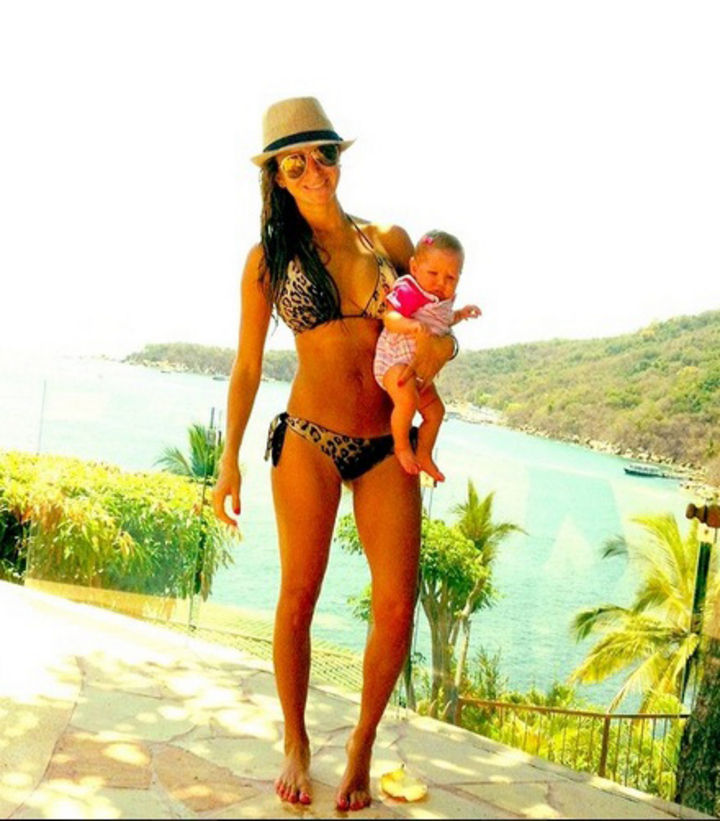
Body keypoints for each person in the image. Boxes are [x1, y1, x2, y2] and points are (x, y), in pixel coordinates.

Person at [212, 97, 458, 812]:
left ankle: (362, 744)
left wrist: (440, 352)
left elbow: (439, 326)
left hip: (386, 443)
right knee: (298, 597)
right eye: (295, 164)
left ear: (337, 159)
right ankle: (295, 740)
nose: (313, 171)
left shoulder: (390, 241)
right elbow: (248, 367)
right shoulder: (267, 262)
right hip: (310, 439)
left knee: (397, 605)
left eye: (323, 155)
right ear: (277, 177)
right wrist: (228, 459)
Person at [373, 230, 481, 483]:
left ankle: (424, 453)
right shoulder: (411, 290)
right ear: (414, 267)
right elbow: (390, 317)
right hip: (394, 363)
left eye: (451, 277)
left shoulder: (443, 303)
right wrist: (410, 325)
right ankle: (401, 446)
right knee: (407, 400)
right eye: (433, 274)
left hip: (422, 373)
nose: (441, 283)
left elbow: (444, 322)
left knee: (436, 411)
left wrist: (461, 314)